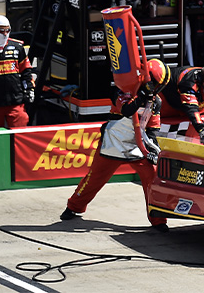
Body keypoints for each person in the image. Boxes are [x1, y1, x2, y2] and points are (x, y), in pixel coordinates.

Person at [61, 59, 171, 231]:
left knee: (153, 180)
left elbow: (152, 131)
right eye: (155, 85)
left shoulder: (156, 102)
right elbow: (127, 110)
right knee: (94, 179)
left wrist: (152, 151)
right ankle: (73, 207)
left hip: (137, 146)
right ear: (146, 80)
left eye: (160, 86)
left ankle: (159, 220)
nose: (157, 89)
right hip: (113, 143)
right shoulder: (122, 90)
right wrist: (142, 95)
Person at [0, 15, 33, 128]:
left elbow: (26, 71)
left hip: (16, 101)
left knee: (21, 135)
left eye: (8, 30)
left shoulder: (17, 47)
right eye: (1, 30)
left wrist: (29, 89)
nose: (5, 34)